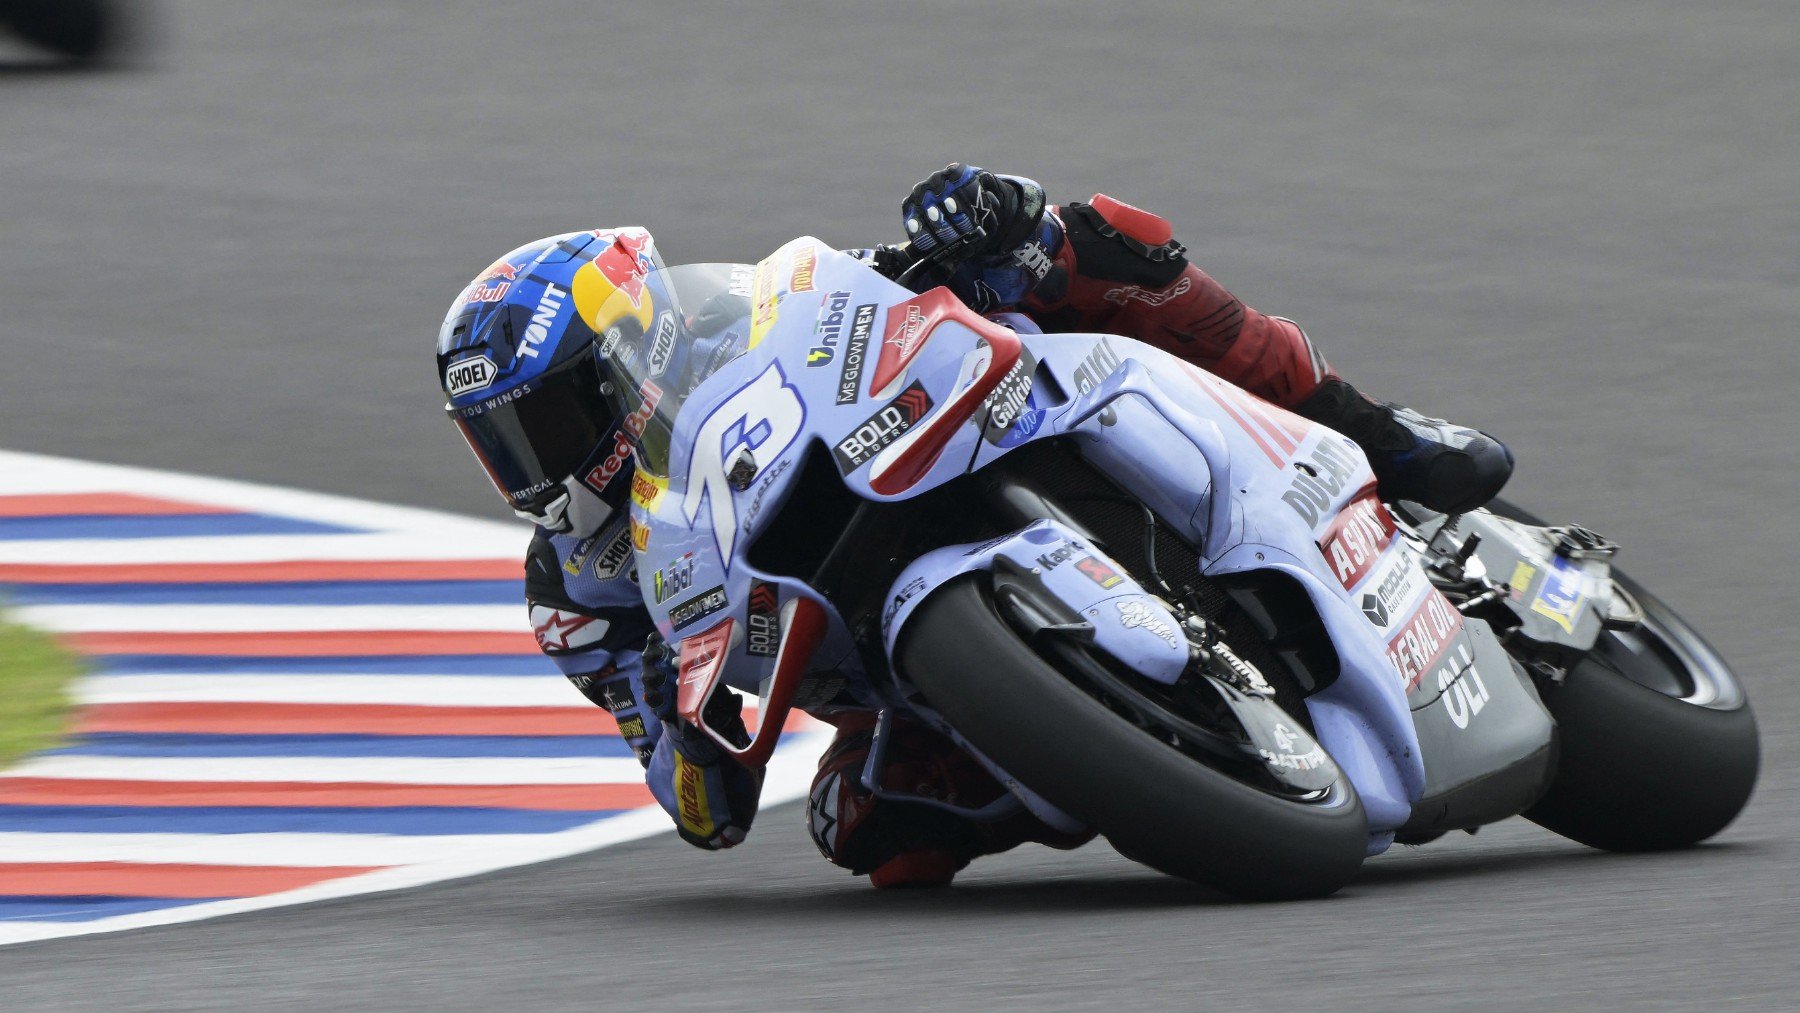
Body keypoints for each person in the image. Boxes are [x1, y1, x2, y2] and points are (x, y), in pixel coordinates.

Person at [435, 165, 1513, 888]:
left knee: (1089, 245)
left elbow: (879, 284)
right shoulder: (577, 592)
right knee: (867, 831)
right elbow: (693, 801)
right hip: (878, 671)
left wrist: (988, 223)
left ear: (632, 348)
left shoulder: (736, 327)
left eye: (551, 416)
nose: (537, 459)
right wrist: (695, 740)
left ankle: (1370, 426)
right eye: (505, 439)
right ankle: (1134, 743)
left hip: (971, 433)